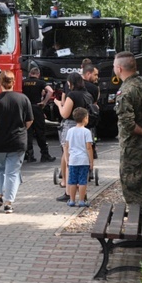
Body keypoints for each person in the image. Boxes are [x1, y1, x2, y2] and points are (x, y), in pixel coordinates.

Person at [113, 51, 142, 207]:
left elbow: (127, 122)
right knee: (141, 182)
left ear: (119, 68)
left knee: (132, 186)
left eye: (114, 65)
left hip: (133, 145)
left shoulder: (125, 91)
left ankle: (140, 224)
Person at [0, 70, 34, 214]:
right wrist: (21, 130)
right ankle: (8, 202)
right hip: (17, 141)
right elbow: (30, 120)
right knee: (12, 172)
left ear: (0, 83)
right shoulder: (23, 99)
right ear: (13, 82)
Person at [52, 72, 92, 202]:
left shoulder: (72, 95)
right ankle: (82, 193)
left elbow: (64, 114)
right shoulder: (87, 95)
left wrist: (58, 104)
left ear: (71, 83)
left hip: (70, 126)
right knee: (82, 158)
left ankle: (69, 192)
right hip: (84, 127)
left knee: (69, 159)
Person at [21, 67, 56, 163]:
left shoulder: (23, 82)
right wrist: (44, 102)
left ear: (29, 74)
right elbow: (50, 91)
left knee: (28, 131)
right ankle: (44, 154)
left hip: (25, 108)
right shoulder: (40, 82)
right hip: (36, 108)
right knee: (40, 131)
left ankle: (29, 155)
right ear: (38, 74)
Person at [64, 107, 94, 208]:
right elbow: (89, 147)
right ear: (85, 118)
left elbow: (67, 146)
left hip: (73, 160)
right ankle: (81, 201)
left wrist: (67, 158)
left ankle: (72, 200)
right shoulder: (86, 132)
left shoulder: (70, 131)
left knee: (72, 181)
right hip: (83, 160)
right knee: (82, 181)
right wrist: (91, 161)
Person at [81, 63, 101, 158]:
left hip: (74, 117)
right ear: (88, 74)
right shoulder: (94, 88)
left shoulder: (70, 86)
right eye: (95, 75)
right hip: (89, 117)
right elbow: (95, 104)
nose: (97, 77)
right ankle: (92, 149)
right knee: (91, 135)